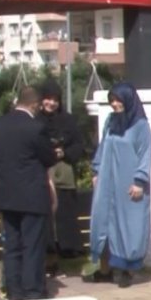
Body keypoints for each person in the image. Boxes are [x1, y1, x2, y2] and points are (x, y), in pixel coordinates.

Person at [0, 86, 58, 300]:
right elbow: (48, 158)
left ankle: (13, 289)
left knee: (12, 244)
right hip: (32, 194)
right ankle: (33, 290)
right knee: (33, 245)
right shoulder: (36, 127)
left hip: (7, 193)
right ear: (35, 105)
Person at [86, 83, 151, 288]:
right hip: (107, 180)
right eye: (111, 100)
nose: (115, 104)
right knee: (103, 222)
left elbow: (146, 153)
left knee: (128, 226)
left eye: (118, 100)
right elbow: (103, 146)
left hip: (129, 183)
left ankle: (126, 271)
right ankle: (106, 269)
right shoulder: (111, 121)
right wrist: (97, 170)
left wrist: (140, 181)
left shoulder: (141, 126)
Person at [38, 79, 86, 263]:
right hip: (43, 173)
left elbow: (79, 145)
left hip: (64, 173)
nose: (51, 103)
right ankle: (48, 253)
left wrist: (63, 152)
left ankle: (68, 250)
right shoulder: (35, 120)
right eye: (48, 99)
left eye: (55, 100)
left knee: (65, 213)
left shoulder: (67, 120)